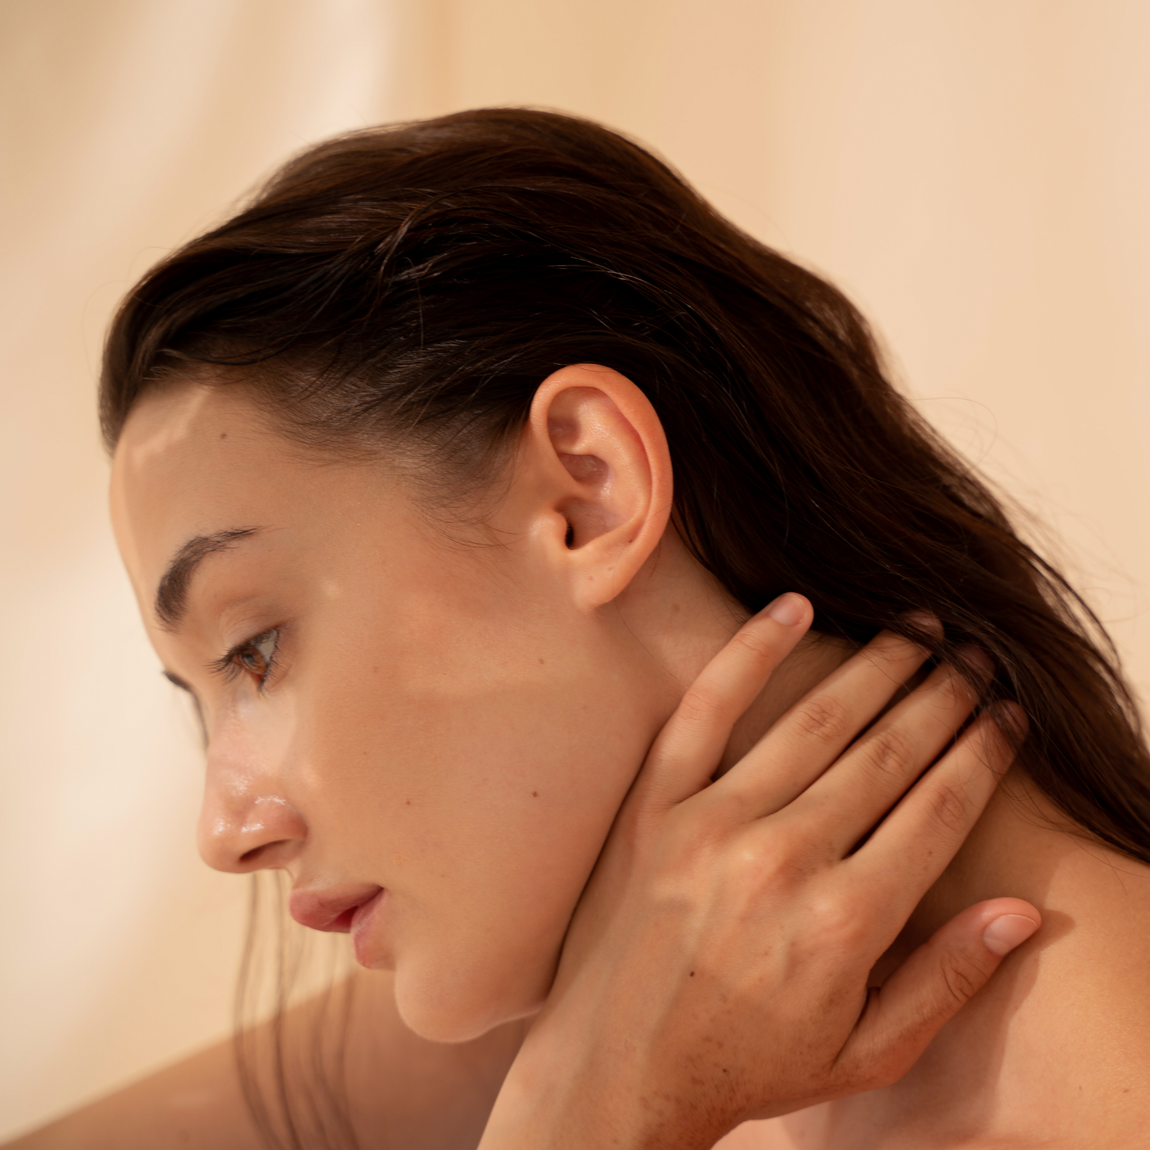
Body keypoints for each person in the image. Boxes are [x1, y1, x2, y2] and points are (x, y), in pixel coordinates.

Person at [9, 108, 1150, 1149]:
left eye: (254, 648)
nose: (224, 831)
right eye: (196, 696)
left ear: (586, 493)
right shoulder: (614, 986)